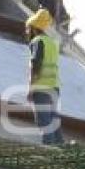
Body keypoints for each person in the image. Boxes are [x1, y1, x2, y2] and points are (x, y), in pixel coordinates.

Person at [26, 9, 64, 145]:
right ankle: (60, 150)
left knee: (44, 122)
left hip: (41, 87)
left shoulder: (37, 41)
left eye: (28, 28)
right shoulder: (52, 43)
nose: (27, 31)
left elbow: (35, 64)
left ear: (34, 28)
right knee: (54, 121)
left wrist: (31, 87)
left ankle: (48, 151)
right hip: (54, 86)